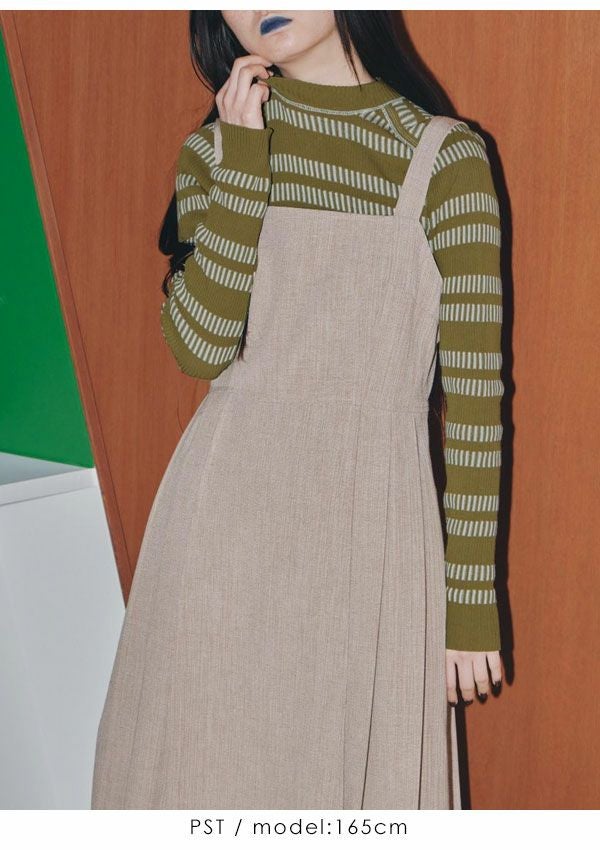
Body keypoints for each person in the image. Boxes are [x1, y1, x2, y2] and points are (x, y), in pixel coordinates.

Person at [91, 10, 505, 810]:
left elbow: (477, 400)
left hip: (374, 535)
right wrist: (244, 158)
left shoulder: (446, 158)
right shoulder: (216, 150)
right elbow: (200, 348)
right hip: (222, 533)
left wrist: (469, 608)